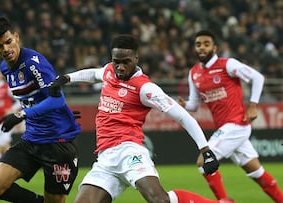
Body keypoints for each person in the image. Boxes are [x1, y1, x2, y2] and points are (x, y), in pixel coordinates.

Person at [50, 34, 234, 203]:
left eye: (126, 62)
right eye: (116, 62)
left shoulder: (145, 88)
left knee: (159, 200)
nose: (120, 67)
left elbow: (182, 115)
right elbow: (93, 74)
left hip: (129, 152)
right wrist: (66, 78)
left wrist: (205, 149)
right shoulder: (109, 71)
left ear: (136, 59)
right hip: (105, 158)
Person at [177, 30, 283, 202]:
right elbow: (194, 104)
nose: (202, 48)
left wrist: (253, 105)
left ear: (214, 47)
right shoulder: (194, 73)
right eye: (198, 44)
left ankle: (223, 200)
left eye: (206, 44)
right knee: (256, 171)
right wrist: (184, 105)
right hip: (225, 128)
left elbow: (257, 78)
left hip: (237, 124)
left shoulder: (227, 64)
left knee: (204, 161)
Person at [0, 16, 81, 203]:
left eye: (8, 42)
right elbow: (32, 98)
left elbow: (57, 100)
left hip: (57, 143)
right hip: (32, 139)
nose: (5, 49)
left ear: (16, 37)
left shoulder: (33, 63)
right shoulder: (5, 68)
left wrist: (20, 115)